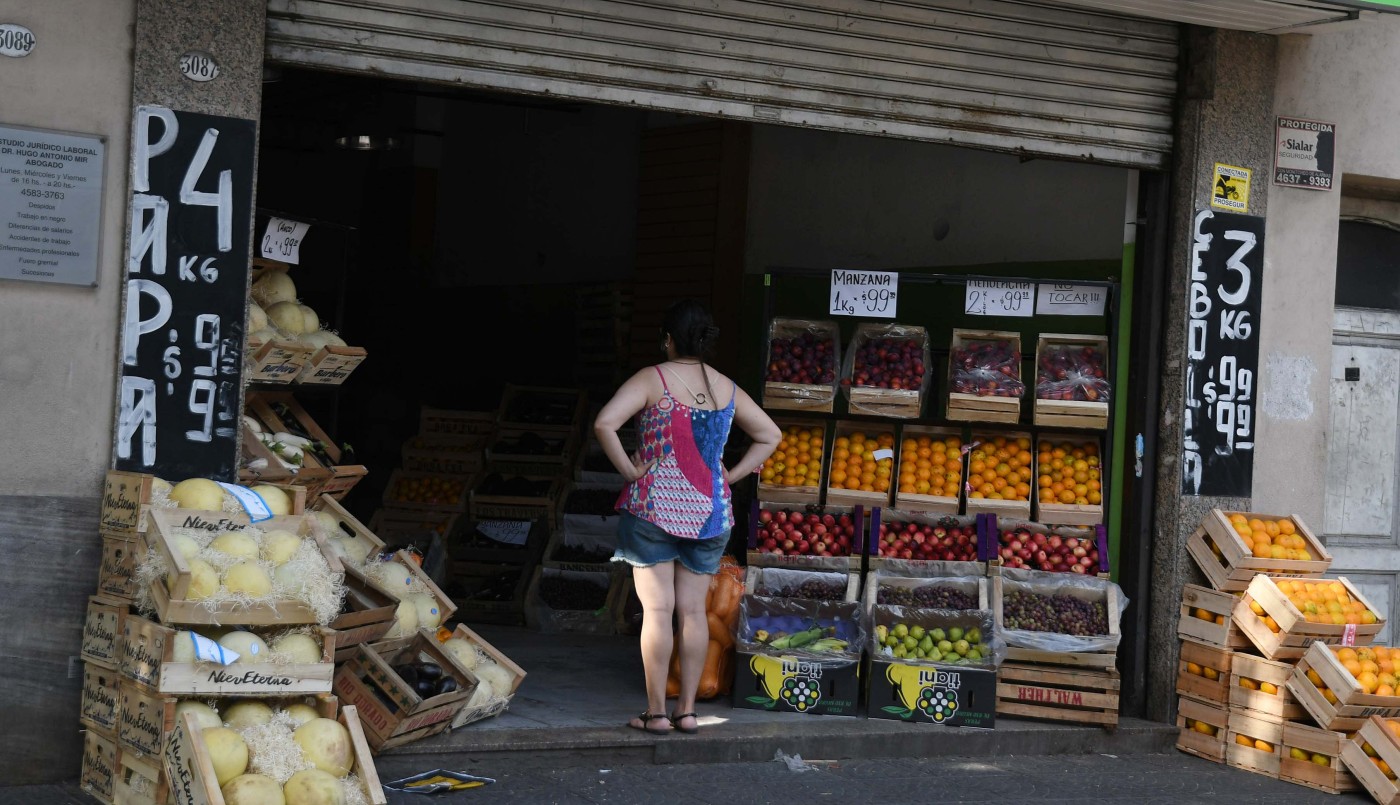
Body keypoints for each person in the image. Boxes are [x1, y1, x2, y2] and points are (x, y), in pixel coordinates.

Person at [594, 299, 780, 735]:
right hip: (709, 515)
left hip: (653, 509)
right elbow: (770, 434)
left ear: (668, 339)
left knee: (658, 611)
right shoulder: (726, 387)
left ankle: (656, 713)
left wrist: (630, 472)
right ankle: (689, 711)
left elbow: (605, 423)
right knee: (694, 612)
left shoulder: (652, 379)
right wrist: (729, 476)